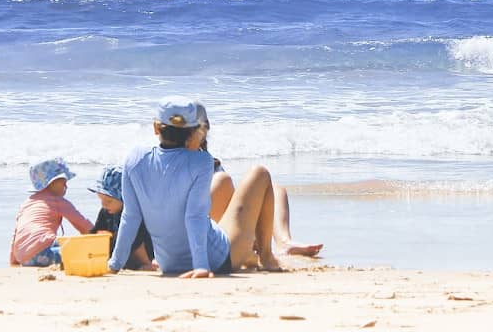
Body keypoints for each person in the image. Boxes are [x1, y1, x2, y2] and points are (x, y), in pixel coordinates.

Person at [108, 97, 283, 277]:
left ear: (155, 127)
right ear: (193, 131)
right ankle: (267, 257)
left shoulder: (134, 159)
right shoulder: (201, 161)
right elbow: (195, 216)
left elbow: (131, 216)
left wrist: (115, 264)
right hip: (218, 260)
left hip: (168, 264)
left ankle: (250, 253)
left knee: (221, 188)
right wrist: (201, 266)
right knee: (260, 174)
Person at [191, 104, 324, 257]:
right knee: (225, 182)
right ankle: (261, 248)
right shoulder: (185, 164)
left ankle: (284, 241)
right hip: (201, 229)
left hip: (217, 223)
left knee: (275, 189)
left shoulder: (210, 162)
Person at [9, 157, 94, 267]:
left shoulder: (27, 203)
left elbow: (16, 233)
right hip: (44, 252)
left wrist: (13, 260)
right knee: (81, 250)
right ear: (52, 183)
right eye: (64, 183)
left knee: (60, 244)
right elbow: (83, 225)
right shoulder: (57, 201)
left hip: (24, 258)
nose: (66, 186)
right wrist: (99, 238)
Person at [88, 165, 156, 271]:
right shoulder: (105, 211)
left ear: (125, 198)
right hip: (119, 252)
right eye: (101, 200)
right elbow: (93, 232)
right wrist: (97, 235)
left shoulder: (135, 214)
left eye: (108, 201)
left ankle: (147, 263)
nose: (104, 205)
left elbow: (138, 236)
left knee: (131, 233)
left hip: (142, 249)